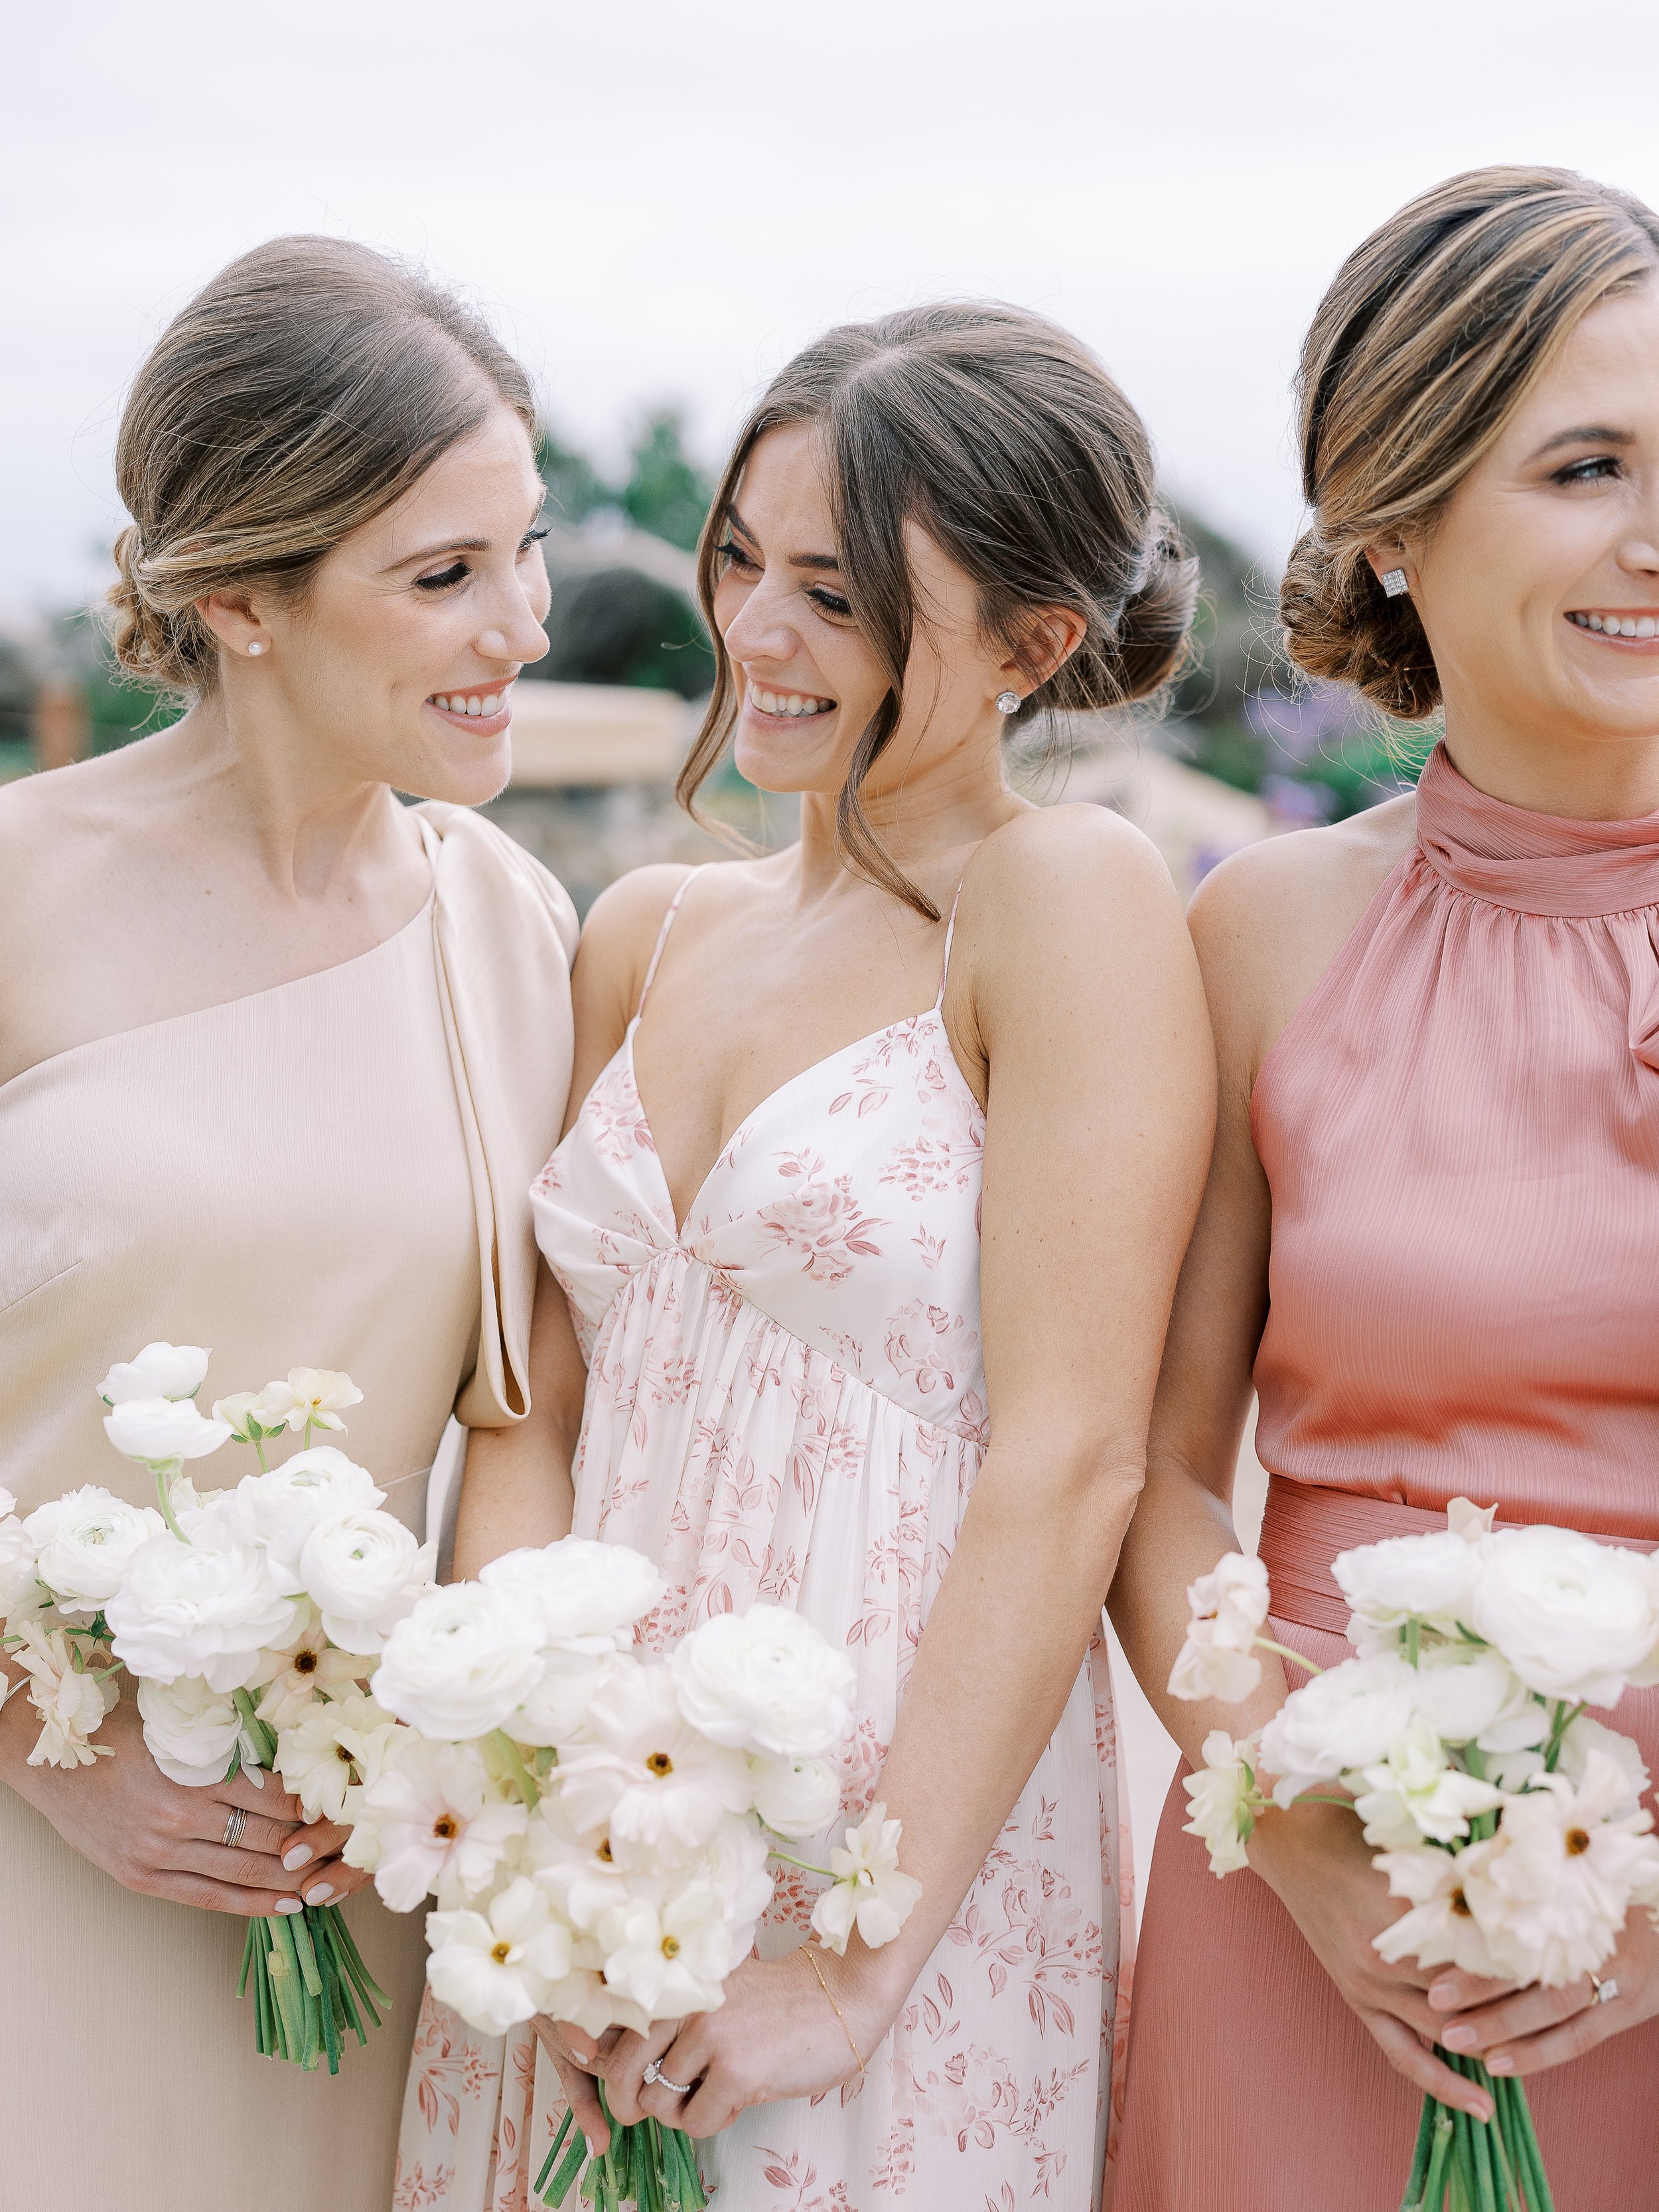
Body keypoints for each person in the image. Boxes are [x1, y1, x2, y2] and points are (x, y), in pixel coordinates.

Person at [397, 303, 1214, 2209]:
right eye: (743, 561)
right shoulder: (649, 928)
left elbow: (1073, 1455)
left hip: (880, 1839)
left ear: (1032, 645)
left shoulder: (1053, 901)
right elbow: (530, 1412)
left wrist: (847, 1969)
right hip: (590, 1844)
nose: (754, 634)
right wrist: (528, 1801)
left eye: (837, 598)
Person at [0, 236, 577, 2211]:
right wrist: (44, 1740)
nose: (519, 627)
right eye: (441, 577)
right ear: (236, 597)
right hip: (32, 1861)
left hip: (357, 1882)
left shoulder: (517, 926)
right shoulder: (16, 894)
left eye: (525, 552)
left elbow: (525, 1416)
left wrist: (473, 1765)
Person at [1112, 166, 1659, 2209]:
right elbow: (1150, 1474)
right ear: (1393, 522)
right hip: (1316, 1902)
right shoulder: (1257, 931)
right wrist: (1286, 1825)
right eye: (1585, 465)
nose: (1650, 536)